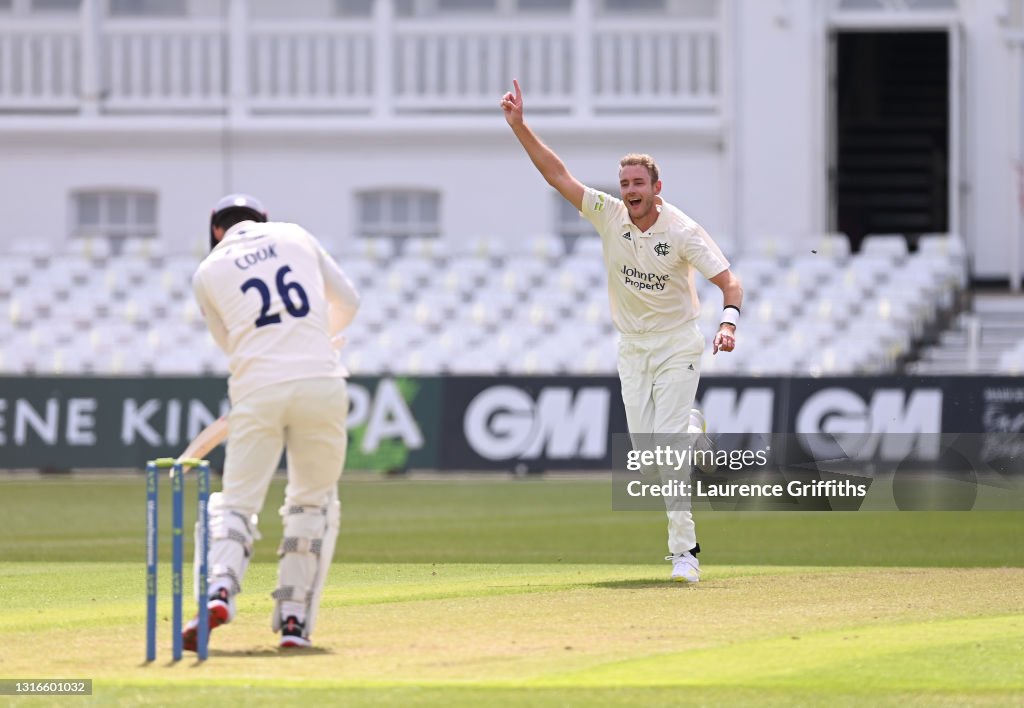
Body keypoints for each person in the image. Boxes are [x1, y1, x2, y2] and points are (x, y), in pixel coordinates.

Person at [500, 80, 743, 583]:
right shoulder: (610, 216)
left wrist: (727, 323)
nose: (630, 192)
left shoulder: (682, 232)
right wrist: (521, 127)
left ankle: (685, 554)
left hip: (678, 343)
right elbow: (557, 176)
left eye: (638, 184)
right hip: (632, 348)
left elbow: (729, 281)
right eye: (624, 183)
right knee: (648, 459)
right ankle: (694, 431)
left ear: (657, 187)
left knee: (669, 456)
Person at [183, 193, 360, 649]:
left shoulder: (208, 270)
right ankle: (295, 621)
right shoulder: (295, 235)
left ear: (216, 231)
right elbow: (349, 301)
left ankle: (219, 589)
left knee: (236, 503)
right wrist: (320, 341)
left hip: (258, 388)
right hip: (322, 382)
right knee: (312, 504)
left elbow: (231, 345)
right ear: (263, 219)